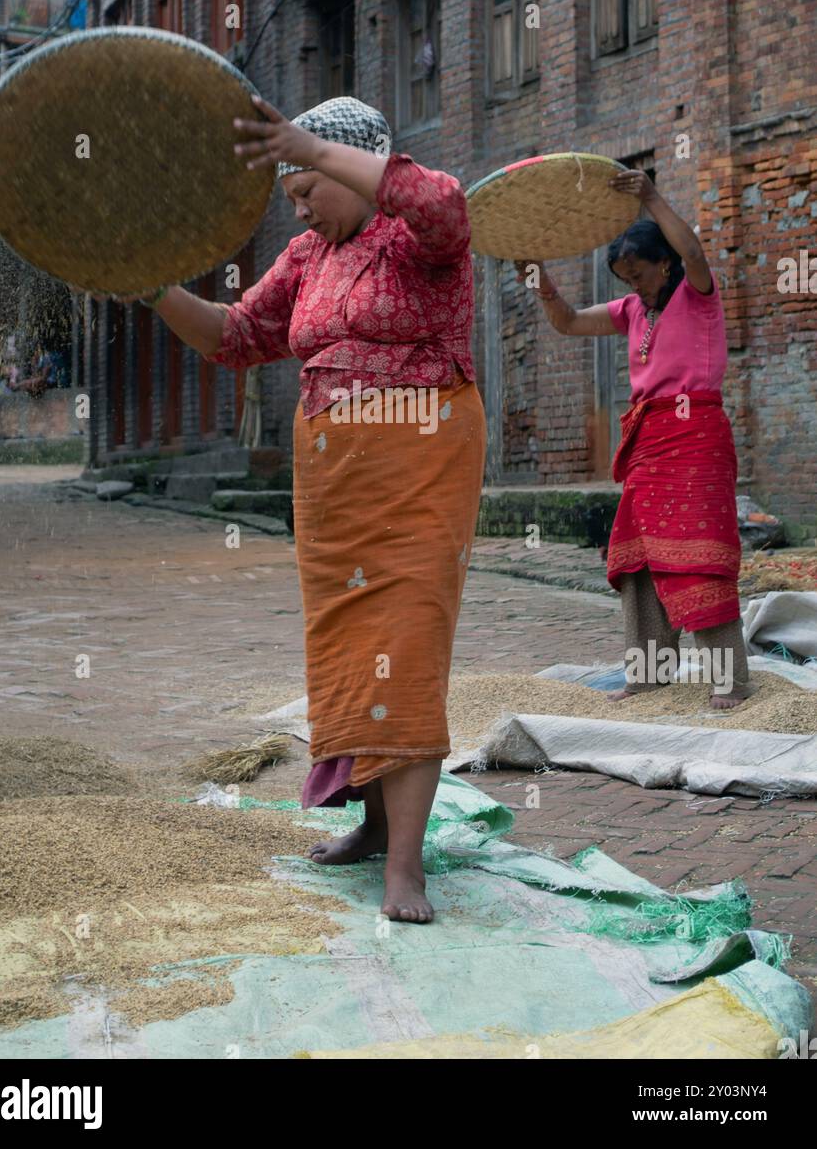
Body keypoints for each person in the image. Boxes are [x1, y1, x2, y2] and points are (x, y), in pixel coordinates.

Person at [128, 95, 486, 922]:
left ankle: (406, 867)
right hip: (333, 483)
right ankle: (368, 825)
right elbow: (234, 334)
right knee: (353, 647)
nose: (298, 204)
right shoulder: (307, 254)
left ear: (344, 165)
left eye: (305, 185)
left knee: (407, 642)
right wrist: (153, 291)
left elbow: (443, 201)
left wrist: (306, 145)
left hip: (419, 462)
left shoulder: (421, 240)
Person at [517, 169, 752, 710]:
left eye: (639, 274)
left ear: (664, 262)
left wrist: (649, 196)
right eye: (625, 278)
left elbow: (693, 247)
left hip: (695, 438)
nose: (634, 285)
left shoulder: (697, 293)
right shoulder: (630, 311)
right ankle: (650, 674)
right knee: (642, 558)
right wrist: (539, 278)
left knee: (697, 554)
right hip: (647, 442)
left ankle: (731, 680)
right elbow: (569, 322)